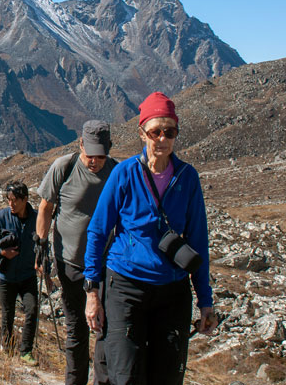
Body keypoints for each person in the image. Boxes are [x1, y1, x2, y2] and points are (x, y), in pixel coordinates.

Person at [83, 92, 218, 385]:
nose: (162, 139)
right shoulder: (124, 173)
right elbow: (98, 230)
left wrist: (205, 301)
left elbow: (198, 240)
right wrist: (92, 292)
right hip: (125, 287)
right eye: (156, 131)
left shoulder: (187, 178)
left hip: (172, 291)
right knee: (125, 376)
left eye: (169, 131)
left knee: (167, 377)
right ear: (142, 133)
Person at [36, 120, 117, 385]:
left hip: (105, 266)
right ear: (80, 144)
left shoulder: (116, 173)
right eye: (89, 155)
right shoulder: (64, 167)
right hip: (69, 261)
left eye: (100, 156)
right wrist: (41, 245)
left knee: (104, 329)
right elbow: (46, 207)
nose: (94, 161)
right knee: (76, 329)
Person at [0, 181, 39, 366]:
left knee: (31, 310)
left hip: (27, 275)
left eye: (14, 200)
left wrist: (41, 262)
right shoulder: (1, 216)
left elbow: (42, 243)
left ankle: (26, 351)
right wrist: (0, 253)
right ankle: (7, 349)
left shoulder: (36, 219)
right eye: (8, 200)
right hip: (5, 276)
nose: (11, 204)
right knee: (8, 314)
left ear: (25, 199)